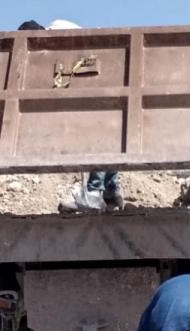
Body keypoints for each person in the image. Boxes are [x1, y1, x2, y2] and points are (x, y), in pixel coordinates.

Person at [18, 19, 122, 210]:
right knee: (107, 136)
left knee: (97, 137)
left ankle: (92, 194)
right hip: (108, 75)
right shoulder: (59, 28)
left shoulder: (56, 32)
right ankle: (111, 193)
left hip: (97, 76)